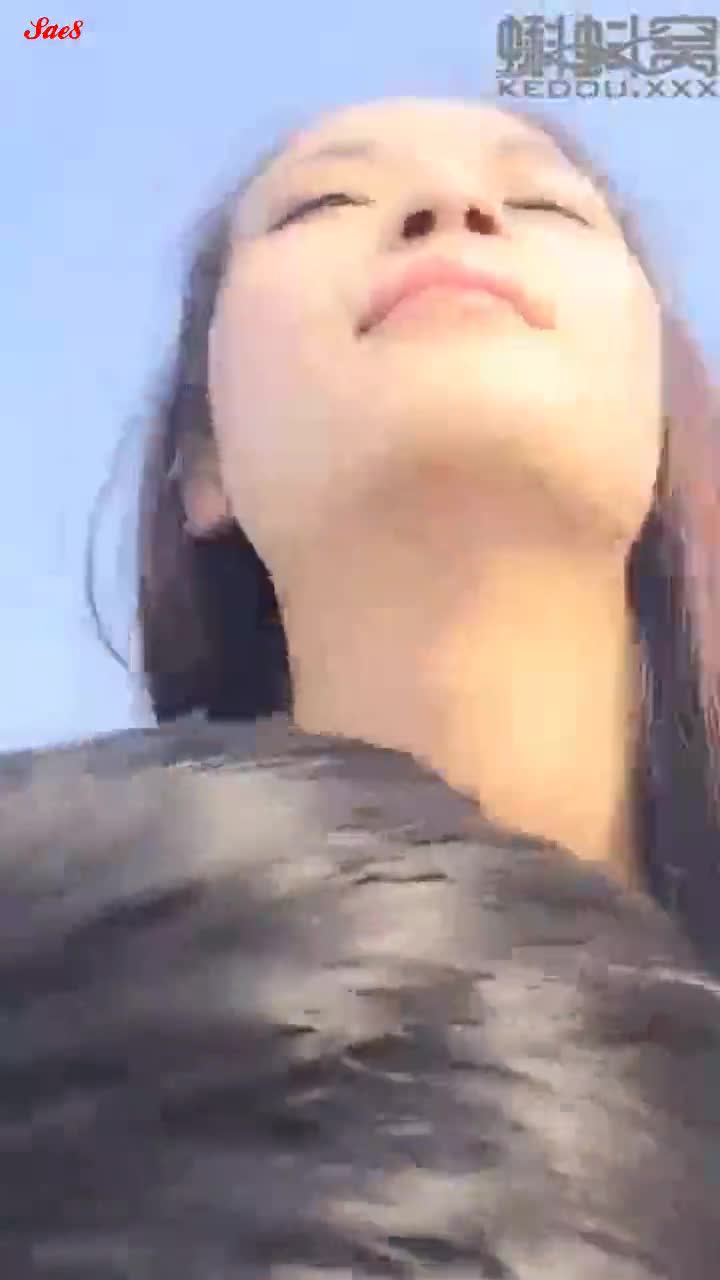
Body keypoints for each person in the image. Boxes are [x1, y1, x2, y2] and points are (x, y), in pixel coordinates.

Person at [2, 96, 720, 1276]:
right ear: (203, 465)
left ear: (660, 417)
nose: (455, 206)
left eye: (545, 204)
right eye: (323, 203)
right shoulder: (41, 992)